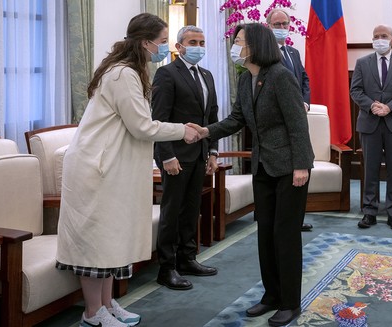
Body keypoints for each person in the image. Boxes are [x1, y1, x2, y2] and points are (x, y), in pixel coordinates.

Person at [55, 13, 199, 327]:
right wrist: (181, 131)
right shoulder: (122, 74)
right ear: (146, 42)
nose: (164, 49)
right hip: (97, 168)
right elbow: (141, 126)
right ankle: (93, 313)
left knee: (112, 239)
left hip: (111, 167)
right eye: (162, 42)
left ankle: (107, 304)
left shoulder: (130, 70)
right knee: (97, 242)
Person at [188, 23, 314, 327]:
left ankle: (289, 303)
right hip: (262, 167)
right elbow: (236, 119)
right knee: (266, 234)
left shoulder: (281, 76)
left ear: (255, 45)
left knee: (285, 235)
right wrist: (207, 131)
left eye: (240, 41)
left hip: (289, 168)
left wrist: (301, 165)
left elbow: (297, 124)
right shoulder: (246, 80)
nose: (235, 46)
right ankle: (271, 296)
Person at [152, 25, 219, 291]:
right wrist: (166, 155)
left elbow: (211, 117)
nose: (198, 47)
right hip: (175, 155)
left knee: (192, 208)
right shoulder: (166, 74)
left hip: (200, 153)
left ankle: (187, 258)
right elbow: (159, 119)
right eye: (192, 42)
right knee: (172, 211)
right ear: (179, 47)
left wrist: (213, 151)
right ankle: (166, 268)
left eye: (202, 42)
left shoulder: (207, 75)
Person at [350, 24, 392, 231]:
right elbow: (356, 90)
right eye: (376, 36)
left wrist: (389, 108)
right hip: (369, 123)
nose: (380, 39)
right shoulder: (362, 62)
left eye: (384, 36)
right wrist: (372, 106)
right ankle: (369, 212)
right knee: (370, 169)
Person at [266, 8, 313, 232]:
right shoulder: (265, 55)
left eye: (285, 24)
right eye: (277, 25)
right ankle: (286, 219)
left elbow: (304, 79)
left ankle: (297, 218)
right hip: (278, 121)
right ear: (268, 26)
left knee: (300, 168)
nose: (282, 28)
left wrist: (304, 102)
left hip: (298, 115)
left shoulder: (293, 52)